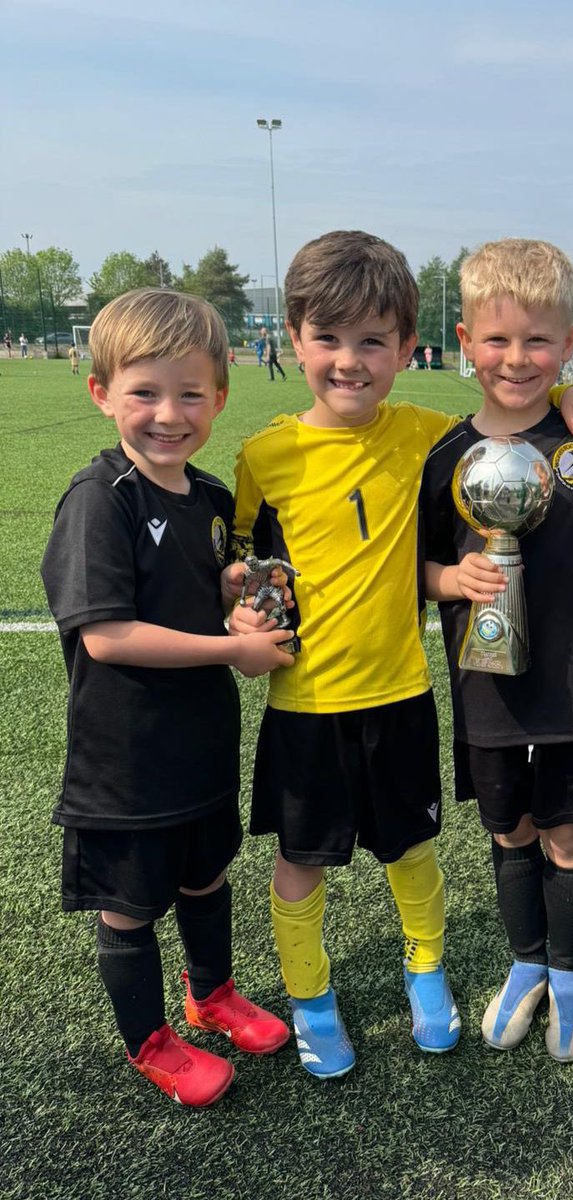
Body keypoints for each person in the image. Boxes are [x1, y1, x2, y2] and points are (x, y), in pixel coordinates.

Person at [228, 230, 573, 1080]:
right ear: (290, 339)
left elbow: (515, 418)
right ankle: (312, 1001)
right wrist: (240, 628)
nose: (350, 362)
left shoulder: (433, 440)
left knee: (414, 851)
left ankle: (427, 974)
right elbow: (247, 577)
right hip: (303, 707)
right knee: (299, 863)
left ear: (410, 346)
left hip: (403, 695)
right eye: (327, 339)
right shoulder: (261, 459)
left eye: (374, 341)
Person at [40, 287, 296, 1108]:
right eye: (144, 392)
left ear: (220, 395)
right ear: (100, 391)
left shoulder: (215, 500)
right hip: (125, 761)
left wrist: (237, 598)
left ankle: (212, 996)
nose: (168, 414)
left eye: (190, 393)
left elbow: (210, 601)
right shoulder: (99, 499)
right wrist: (235, 646)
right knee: (131, 908)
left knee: (206, 878)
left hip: (200, 745)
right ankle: (150, 1042)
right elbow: (107, 635)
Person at [419, 239, 573, 1064]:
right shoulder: (443, 454)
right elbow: (414, 563)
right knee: (510, 830)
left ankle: (571, 972)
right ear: (464, 341)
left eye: (538, 342)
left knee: (567, 834)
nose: (516, 358)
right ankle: (526, 962)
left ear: (568, 346)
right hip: (484, 683)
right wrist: (451, 580)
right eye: (497, 339)